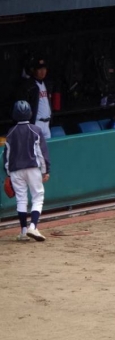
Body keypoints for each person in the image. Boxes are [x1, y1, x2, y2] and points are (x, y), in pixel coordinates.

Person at [3, 101, 50, 242]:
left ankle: (23, 231)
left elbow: (7, 156)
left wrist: (8, 174)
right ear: (30, 113)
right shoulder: (36, 130)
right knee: (38, 196)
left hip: (15, 171)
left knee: (21, 199)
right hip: (32, 168)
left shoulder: (10, 132)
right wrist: (45, 171)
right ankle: (33, 226)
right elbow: (41, 153)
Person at [18, 58, 54, 140]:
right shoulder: (29, 85)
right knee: (35, 147)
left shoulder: (47, 84)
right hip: (36, 123)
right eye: (40, 69)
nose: (43, 71)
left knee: (47, 147)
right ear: (33, 70)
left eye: (44, 68)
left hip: (47, 123)